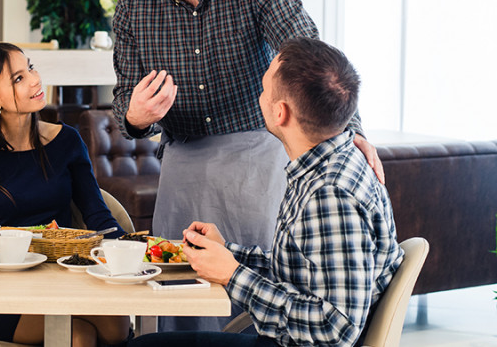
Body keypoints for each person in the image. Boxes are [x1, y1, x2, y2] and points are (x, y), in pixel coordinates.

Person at [111, 0, 384, 331]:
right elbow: (125, 100)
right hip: (185, 163)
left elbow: (309, 58)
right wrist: (135, 115)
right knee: (180, 290)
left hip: (262, 159)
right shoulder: (132, 9)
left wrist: (349, 129)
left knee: (262, 288)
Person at [130, 37, 404, 347]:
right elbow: (304, 268)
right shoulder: (331, 160)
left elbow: (336, 329)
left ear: (280, 113)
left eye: (263, 89)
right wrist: (228, 253)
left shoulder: (330, 194)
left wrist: (233, 276)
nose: (258, 96)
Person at [0, 42, 131, 347]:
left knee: (117, 324)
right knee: (81, 336)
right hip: (5, 292)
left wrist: (133, 252)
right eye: (18, 78)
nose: (34, 79)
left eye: (30, 67)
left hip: (65, 276)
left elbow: (97, 215)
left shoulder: (67, 140)